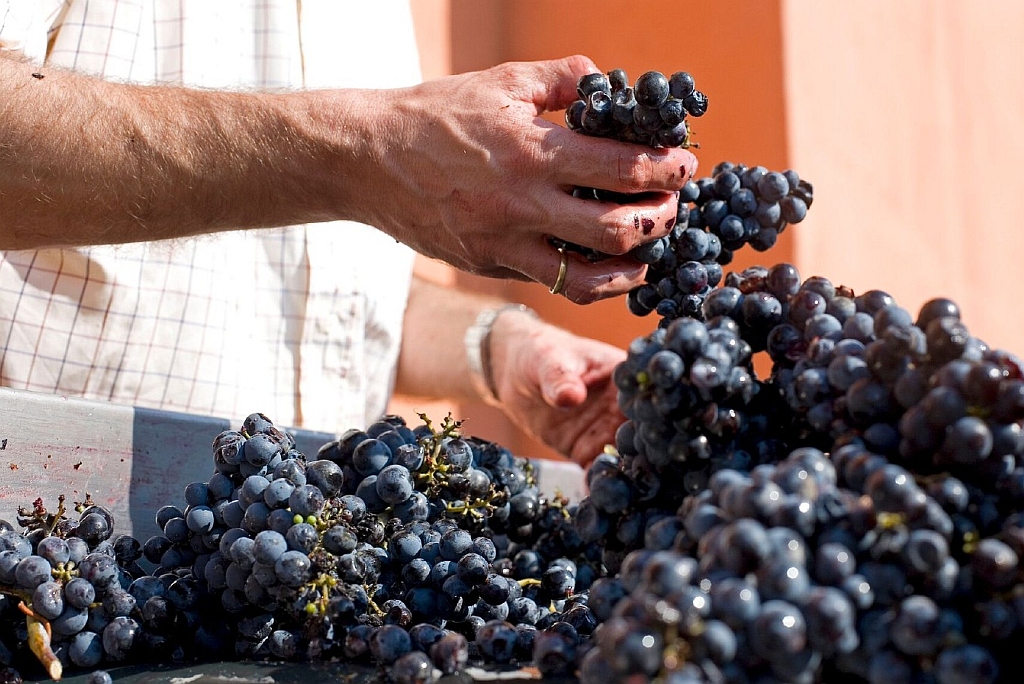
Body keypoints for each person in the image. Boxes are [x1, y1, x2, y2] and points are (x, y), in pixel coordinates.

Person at [0, 1, 697, 466]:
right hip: (57, 574)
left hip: (302, 596)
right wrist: (361, 158)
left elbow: (326, 298)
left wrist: (499, 350)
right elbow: (355, 168)